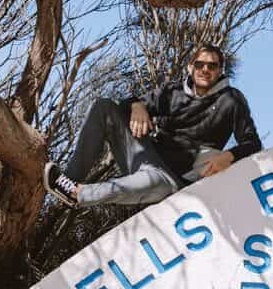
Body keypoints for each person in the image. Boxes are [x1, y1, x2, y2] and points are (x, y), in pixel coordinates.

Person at [43, 43, 261, 208]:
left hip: (172, 179)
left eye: (212, 66)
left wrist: (228, 156)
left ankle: (78, 195)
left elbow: (252, 143)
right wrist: (137, 105)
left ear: (220, 71)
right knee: (104, 107)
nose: (205, 70)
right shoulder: (173, 91)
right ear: (190, 67)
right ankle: (68, 181)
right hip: (147, 156)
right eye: (200, 64)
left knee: (148, 182)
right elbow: (125, 105)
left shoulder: (231, 100)